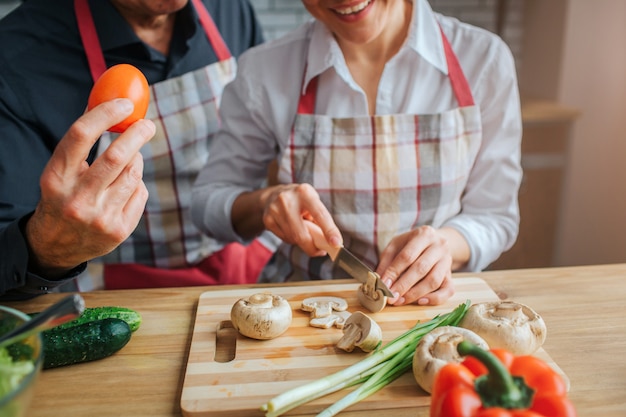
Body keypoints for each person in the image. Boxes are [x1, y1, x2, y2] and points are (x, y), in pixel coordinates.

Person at [191, 0, 523, 306]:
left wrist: (446, 245)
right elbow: (207, 203)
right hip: (304, 309)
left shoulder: (483, 59)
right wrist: (266, 203)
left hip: (432, 309)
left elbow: (495, 216)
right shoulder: (265, 70)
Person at [0, 0, 274, 300]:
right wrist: (50, 250)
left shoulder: (230, 9)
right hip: (116, 301)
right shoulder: (15, 57)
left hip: (241, 282)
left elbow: (266, 140)